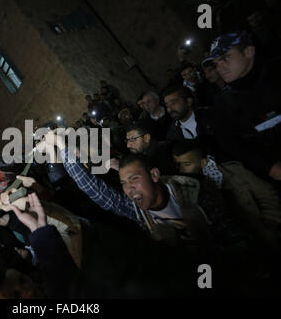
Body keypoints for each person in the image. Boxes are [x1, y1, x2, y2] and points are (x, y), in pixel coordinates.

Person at [37, 131, 211, 248]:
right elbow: (93, 189)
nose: (130, 189)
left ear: (154, 175)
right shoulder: (137, 212)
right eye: (124, 183)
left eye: (134, 179)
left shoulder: (196, 192)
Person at [172, 139, 281, 249]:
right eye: (178, 165)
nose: (181, 170)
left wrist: (269, 222)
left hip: (261, 237)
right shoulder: (184, 192)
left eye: (187, 164)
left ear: (204, 162)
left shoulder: (234, 172)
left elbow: (267, 195)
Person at [203, 30, 281, 181]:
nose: (220, 68)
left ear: (249, 51)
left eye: (225, 58)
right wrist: (270, 167)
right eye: (216, 63)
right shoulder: (223, 103)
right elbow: (232, 145)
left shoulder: (277, 73)